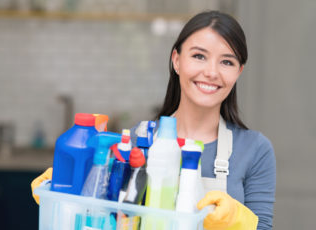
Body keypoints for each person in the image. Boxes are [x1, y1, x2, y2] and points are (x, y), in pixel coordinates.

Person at [31, 10, 276, 230]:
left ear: (238, 71)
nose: (211, 72)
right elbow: (105, 220)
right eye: (199, 56)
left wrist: (237, 221)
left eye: (226, 61)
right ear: (176, 60)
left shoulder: (254, 150)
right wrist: (64, 195)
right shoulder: (138, 140)